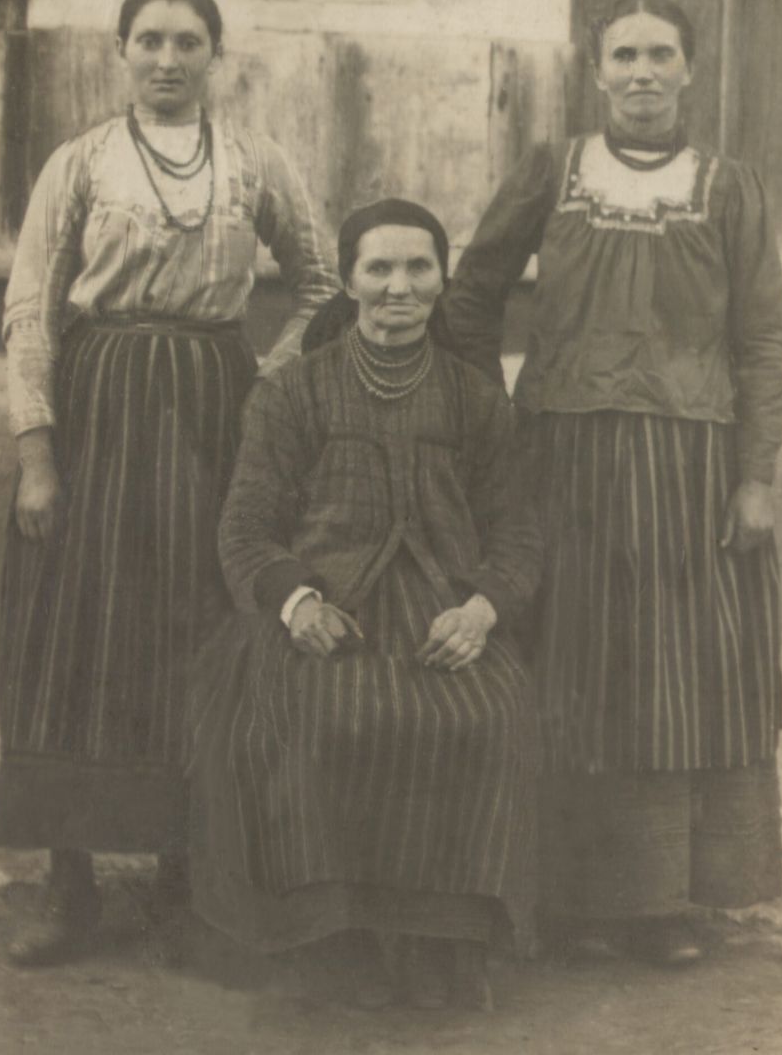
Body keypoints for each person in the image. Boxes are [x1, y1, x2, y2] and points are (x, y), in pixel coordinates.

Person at [0, 0, 338, 966]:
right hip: (97, 409)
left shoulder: (253, 161)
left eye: (189, 40)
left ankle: (192, 877)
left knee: (196, 625)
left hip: (209, 415)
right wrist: (35, 452)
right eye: (148, 39)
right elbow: (28, 308)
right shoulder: (81, 163)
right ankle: (72, 883)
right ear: (120, 52)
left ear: (215, 55)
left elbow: (319, 284)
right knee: (76, 630)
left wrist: (264, 378)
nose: (168, 58)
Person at [445, 0, 782, 966]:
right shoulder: (552, 171)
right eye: (624, 55)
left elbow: (764, 341)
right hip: (561, 461)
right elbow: (470, 294)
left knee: (681, 674)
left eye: (661, 54)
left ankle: (669, 900)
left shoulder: (729, 187)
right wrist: (487, 421)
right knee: (574, 666)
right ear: (595, 71)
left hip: (691, 467)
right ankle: (562, 894)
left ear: (690, 69)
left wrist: (753, 478)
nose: (642, 72)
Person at [187, 199, 542, 1009]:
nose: (397, 287)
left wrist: (481, 611)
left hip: (441, 616)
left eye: (417, 268)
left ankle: (441, 950)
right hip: (325, 614)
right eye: (377, 268)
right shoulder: (292, 394)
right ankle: (327, 948)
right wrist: (295, 602)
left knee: (489, 716)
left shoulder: (475, 399)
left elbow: (519, 535)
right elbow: (243, 529)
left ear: (442, 281)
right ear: (347, 281)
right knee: (315, 714)